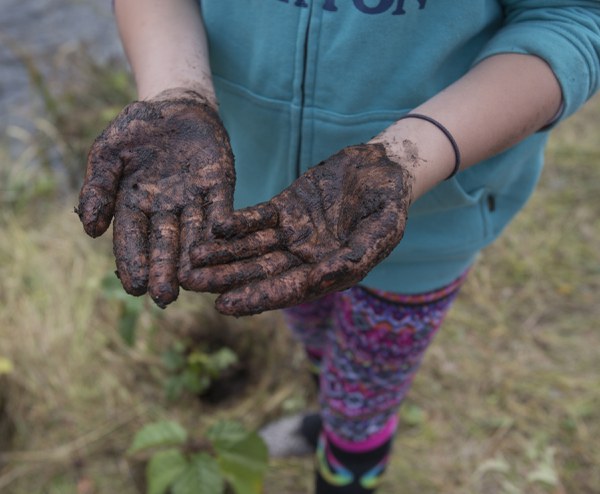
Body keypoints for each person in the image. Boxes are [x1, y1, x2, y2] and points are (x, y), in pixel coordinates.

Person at [76, 1, 600, 493]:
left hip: (425, 223)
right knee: (316, 339)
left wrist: (412, 153)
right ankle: (325, 410)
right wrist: (177, 92)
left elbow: (569, 17)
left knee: (363, 404)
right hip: (266, 214)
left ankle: (347, 449)